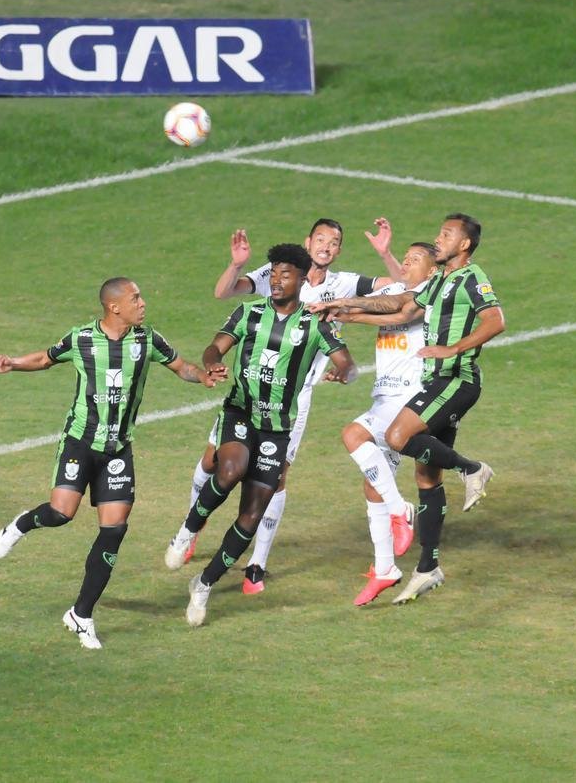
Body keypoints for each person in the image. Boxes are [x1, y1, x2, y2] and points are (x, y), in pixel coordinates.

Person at [166, 218, 400, 595]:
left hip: (293, 401)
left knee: (275, 479)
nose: (326, 246)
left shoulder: (344, 284)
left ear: (339, 250)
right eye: (320, 238)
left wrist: (386, 254)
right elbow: (225, 291)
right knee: (213, 461)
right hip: (248, 394)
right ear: (308, 241)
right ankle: (191, 530)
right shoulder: (277, 274)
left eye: (334, 242)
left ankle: (257, 563)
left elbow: (404, 286)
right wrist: (237, 265)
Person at [0, 278, 220, 649]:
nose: (143, 303)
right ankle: (21, 524)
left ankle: (81, 614)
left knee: (114, 531)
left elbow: (181, 367)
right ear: (114, 307)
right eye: (135, 298)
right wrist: (11, 363)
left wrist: (203, 376)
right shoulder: (82, 339)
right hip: (80, 441)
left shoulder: (147, 340)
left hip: (118, 449)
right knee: (61, 513)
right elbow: (46, 358)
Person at [314, 213, 504, 604]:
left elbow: (495, 320)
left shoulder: (471, 277)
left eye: (446, 234)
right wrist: (346, 305)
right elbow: (401, 306)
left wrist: (453, 348)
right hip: (437, 382)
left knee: (398, 436)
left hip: (456, 378)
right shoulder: (440, 281)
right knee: (427, 478)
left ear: (464, 244)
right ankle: (427, 568)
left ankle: (471, 469)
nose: (439, 238)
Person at [338, 236, 438, 605]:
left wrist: (346, 310)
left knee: (353, 435)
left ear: (433, 270)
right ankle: (385, 569)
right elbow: (379, 299)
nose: (407, 263)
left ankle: (400, 510)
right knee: (373, 484)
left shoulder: (430, 294)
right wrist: (336, 309)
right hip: (385, 395)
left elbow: (395, 309)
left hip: (408, 397)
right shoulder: (397, 288)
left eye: (416, 259)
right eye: (405, 258)